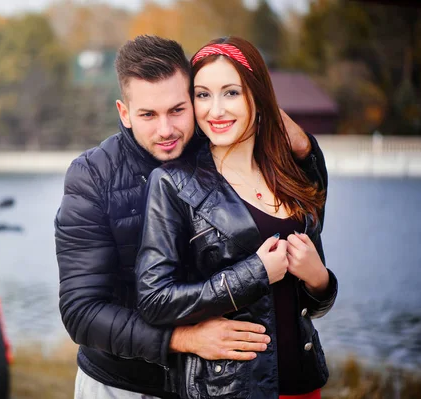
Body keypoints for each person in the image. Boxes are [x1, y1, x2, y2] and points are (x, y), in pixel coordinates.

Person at [55, 35, 328, 399]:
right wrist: (184, 339)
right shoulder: (93, 175)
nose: (166, 130)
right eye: (148, 115)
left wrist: (292, 132)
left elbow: (301, 181)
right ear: (124, 112)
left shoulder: (214, 144)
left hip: (207, 382)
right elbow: (81, 312)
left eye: (177, 110)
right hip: (121, 382)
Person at [135, 36, 337, 399]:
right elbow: (154, 299)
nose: (216, 110)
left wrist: (320, 279)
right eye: (202, 95)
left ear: (256, 97)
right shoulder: (174, 184)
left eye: (231, 92)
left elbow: (315, 304)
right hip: (226, 389)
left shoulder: (290, 174)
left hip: (305, 383)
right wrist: (255, 273)